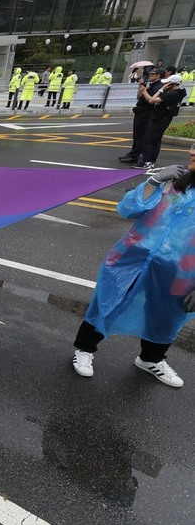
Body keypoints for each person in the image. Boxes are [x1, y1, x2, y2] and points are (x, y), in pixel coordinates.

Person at [72, 150, 195, 388]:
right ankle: (85, 349)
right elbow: (128, 209)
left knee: (167, 316)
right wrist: (154, 180)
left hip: (181, 271)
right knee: (109, 301)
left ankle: (151, 359)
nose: (191, 150)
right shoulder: (174, 182)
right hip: (133, 257)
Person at [132, 74, 186, 170]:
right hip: (165, 118)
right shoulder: (179, 93)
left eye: (168, 83)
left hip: (159, 118)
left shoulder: (172, 94)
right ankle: (151, 161)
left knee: (148, 139)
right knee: (156, 140)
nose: (165, 85)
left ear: (172, 84)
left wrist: (147, 91)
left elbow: (151, 100)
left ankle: (147, 162)